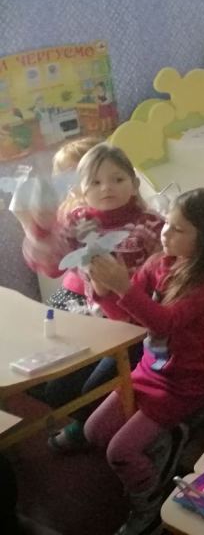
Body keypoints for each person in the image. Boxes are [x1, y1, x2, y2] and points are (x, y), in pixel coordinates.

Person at [83, 188, 204, 535]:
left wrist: (123, 287)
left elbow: (164, 323)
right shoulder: (158, 263)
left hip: (189, 381)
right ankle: (166, 440)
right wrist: (104, 290)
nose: (166, 233)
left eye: (179, 229)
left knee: (120, 452)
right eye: (167, 223)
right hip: (150, 371)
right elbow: (130, 319)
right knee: (94, 432)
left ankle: (151, 504)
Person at [17, 143, 164, 452]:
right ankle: (93, 425)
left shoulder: (149, 225)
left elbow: (164, 283)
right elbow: (50, 262)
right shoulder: (76, 220)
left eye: (117, 179)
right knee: (57, 390)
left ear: (134, 183)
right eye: (95, 182)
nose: (106, 188)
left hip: (138, 328)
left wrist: (120, 286)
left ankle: (104, 428)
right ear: (81, 190)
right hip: (98, 322)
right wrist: (38, 227)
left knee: (95, 390)